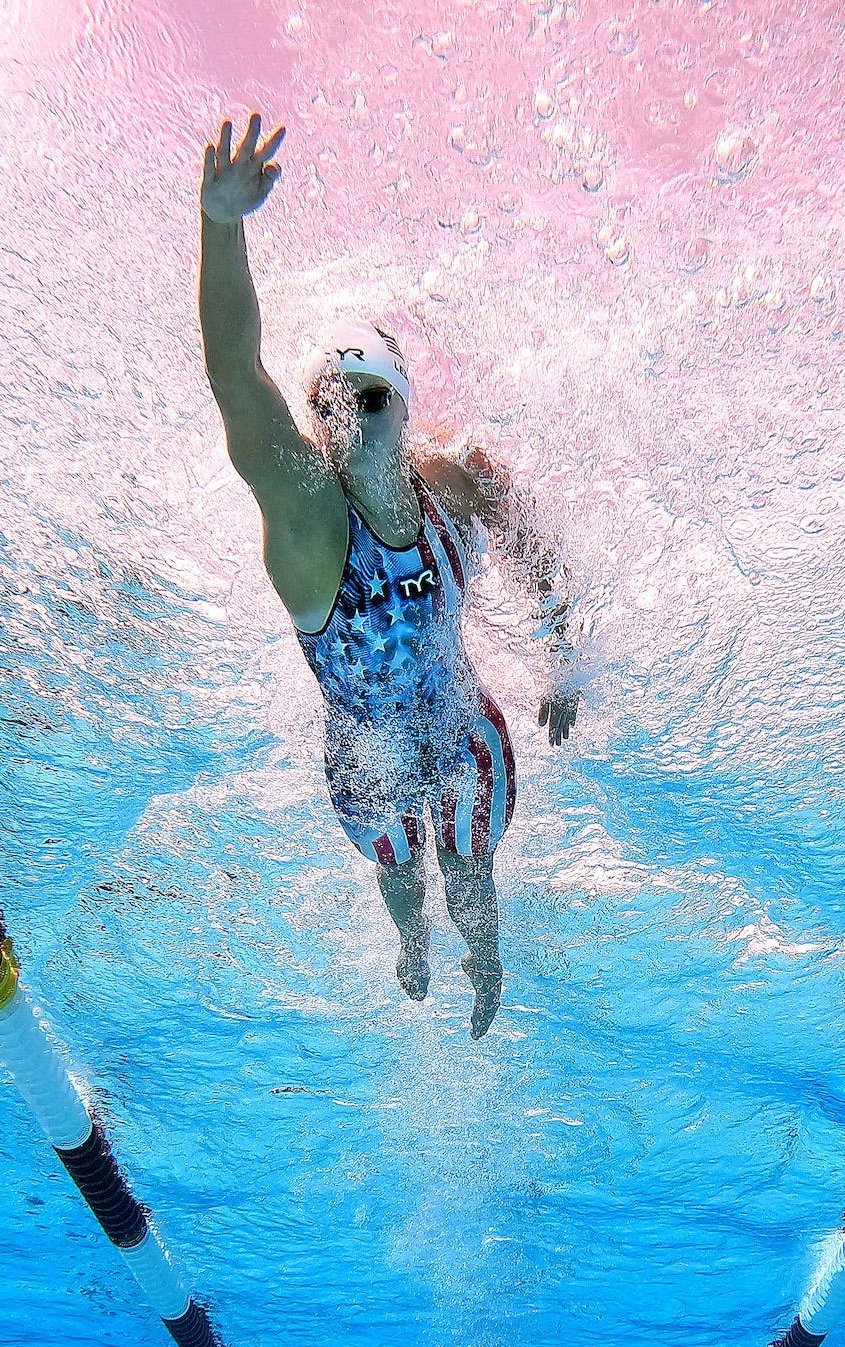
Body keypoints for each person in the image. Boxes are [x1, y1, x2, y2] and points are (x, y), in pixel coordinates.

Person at [196, 112, 580, 1039]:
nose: (348, 418)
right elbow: (234, 374)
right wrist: (220, 225)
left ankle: (480, 956)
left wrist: (560, 654)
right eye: (328, 404)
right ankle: (410, 943)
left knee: (472, 872)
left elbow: (533, 545)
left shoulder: (456, 476)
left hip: (459, 720)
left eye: (367, 398)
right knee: (402, 876)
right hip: (363, 757)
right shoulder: (307, 522)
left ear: (402, 409)